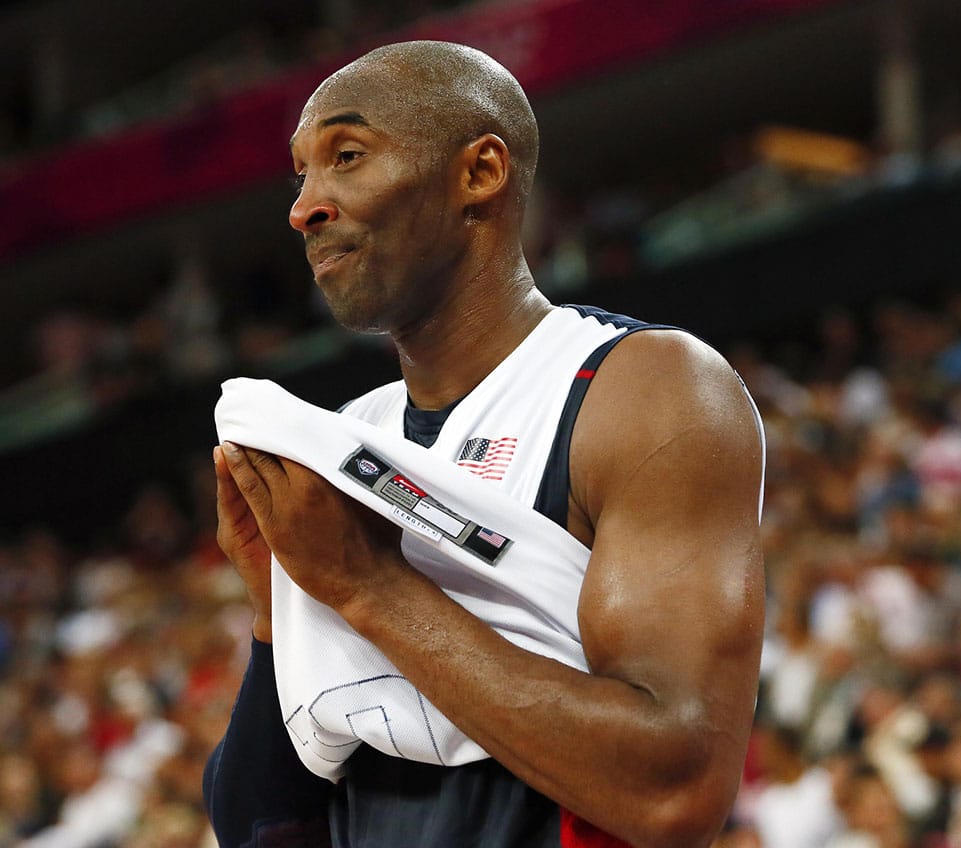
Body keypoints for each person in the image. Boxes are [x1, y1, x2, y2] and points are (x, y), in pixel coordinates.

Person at [202, 40, 766, 848]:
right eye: (301, 175)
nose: (305, 207)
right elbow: (262, 831)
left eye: (347, 156)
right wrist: (274, 613)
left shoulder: (644, 389)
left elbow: (672, 791)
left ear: (481, 173)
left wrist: (366, 585)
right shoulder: (344, 439)